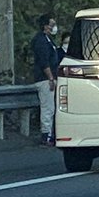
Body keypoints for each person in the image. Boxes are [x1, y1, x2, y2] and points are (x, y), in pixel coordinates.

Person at [31, 13, 60, 146]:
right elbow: (44, 61)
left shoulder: (48, 40)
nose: (54, 27)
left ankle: (50, 134)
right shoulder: (41, 41)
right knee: (48, 108)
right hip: (45, 79)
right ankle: (46, 135)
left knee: (51, 108)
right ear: (45, 26)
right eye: (51, 25)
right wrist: (50, 78)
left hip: (49, 78)